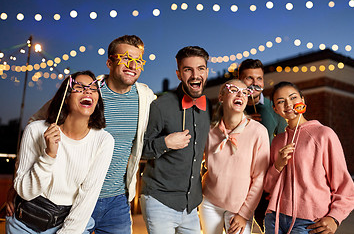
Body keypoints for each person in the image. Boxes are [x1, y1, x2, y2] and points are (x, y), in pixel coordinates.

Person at [6, 35, 155, 234]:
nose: (132, 65)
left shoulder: (146, 98)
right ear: (109, 62)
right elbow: (37, 125)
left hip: (116, 200)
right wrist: (18, 185)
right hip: (73, 198)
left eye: (137, 60)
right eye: (125, 58)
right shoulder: (86, 91)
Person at [6, 71, 114, 234]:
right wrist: (48, 155)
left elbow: (87, 198)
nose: (88, 91)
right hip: (25, 223)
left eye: (93, 88)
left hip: (69, 224)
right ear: (66, 97)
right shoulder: (35, 130)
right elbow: (25, 192)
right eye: (79, 87)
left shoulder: (104, 141)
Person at [264, 81, 354, 234]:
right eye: (280, 101)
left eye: (293, 97)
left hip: (309, 222)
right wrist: (278, 165)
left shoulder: (323, 134)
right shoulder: (277, 141)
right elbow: (268, 186)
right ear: (275, 109)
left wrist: (335, 218)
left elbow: (345, 187)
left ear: (303, 100)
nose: (288, 104)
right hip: (274, 219)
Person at [140, 46, 211, 234]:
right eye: (188, 69)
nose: (195, 75)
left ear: (207, 71)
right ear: (179, 74)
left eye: (200, 68)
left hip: (191, 205)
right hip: (159, 200)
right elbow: (140, 149)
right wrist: (165, 143)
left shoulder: (209, 108)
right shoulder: (160, 106)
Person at [199, 79, 270, 234]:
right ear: (221, 97)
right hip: (209, 203)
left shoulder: (258, 132)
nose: (240, 94)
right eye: (234, 90)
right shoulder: (210, 132)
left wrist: (244, 214)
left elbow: (259, 178)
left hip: (239, 208)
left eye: (245, 92)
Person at [237, 59, 287, 231]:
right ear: (239, 81)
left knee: (271, 228)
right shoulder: (229, 107)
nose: (255, 83)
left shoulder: (273, 108)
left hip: (265, 184)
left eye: (259, 78)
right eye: (249, 78)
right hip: (238, 183)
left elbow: (284, 141)